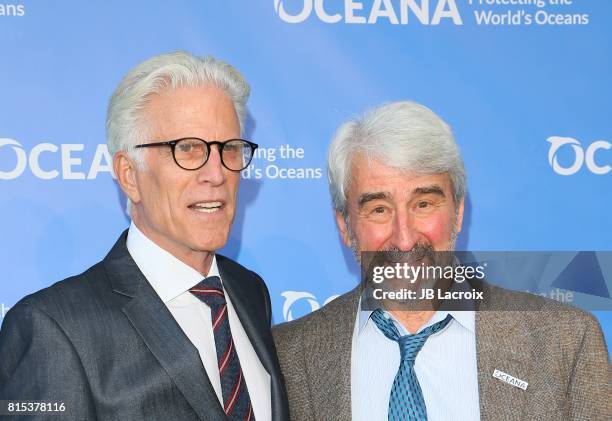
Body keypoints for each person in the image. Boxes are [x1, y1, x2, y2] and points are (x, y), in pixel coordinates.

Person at [273, 101, 611, 420]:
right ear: (345, 226)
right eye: (379, 209)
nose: (404, 238)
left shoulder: (564, 341)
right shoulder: (289, 356)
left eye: (423, 204)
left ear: (459, 211)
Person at [0, 51, 289, 421]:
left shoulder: (249, 291)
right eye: (188, 149)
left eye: (229, 149)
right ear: (129, 175)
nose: (216, 174)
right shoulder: (55, 329)